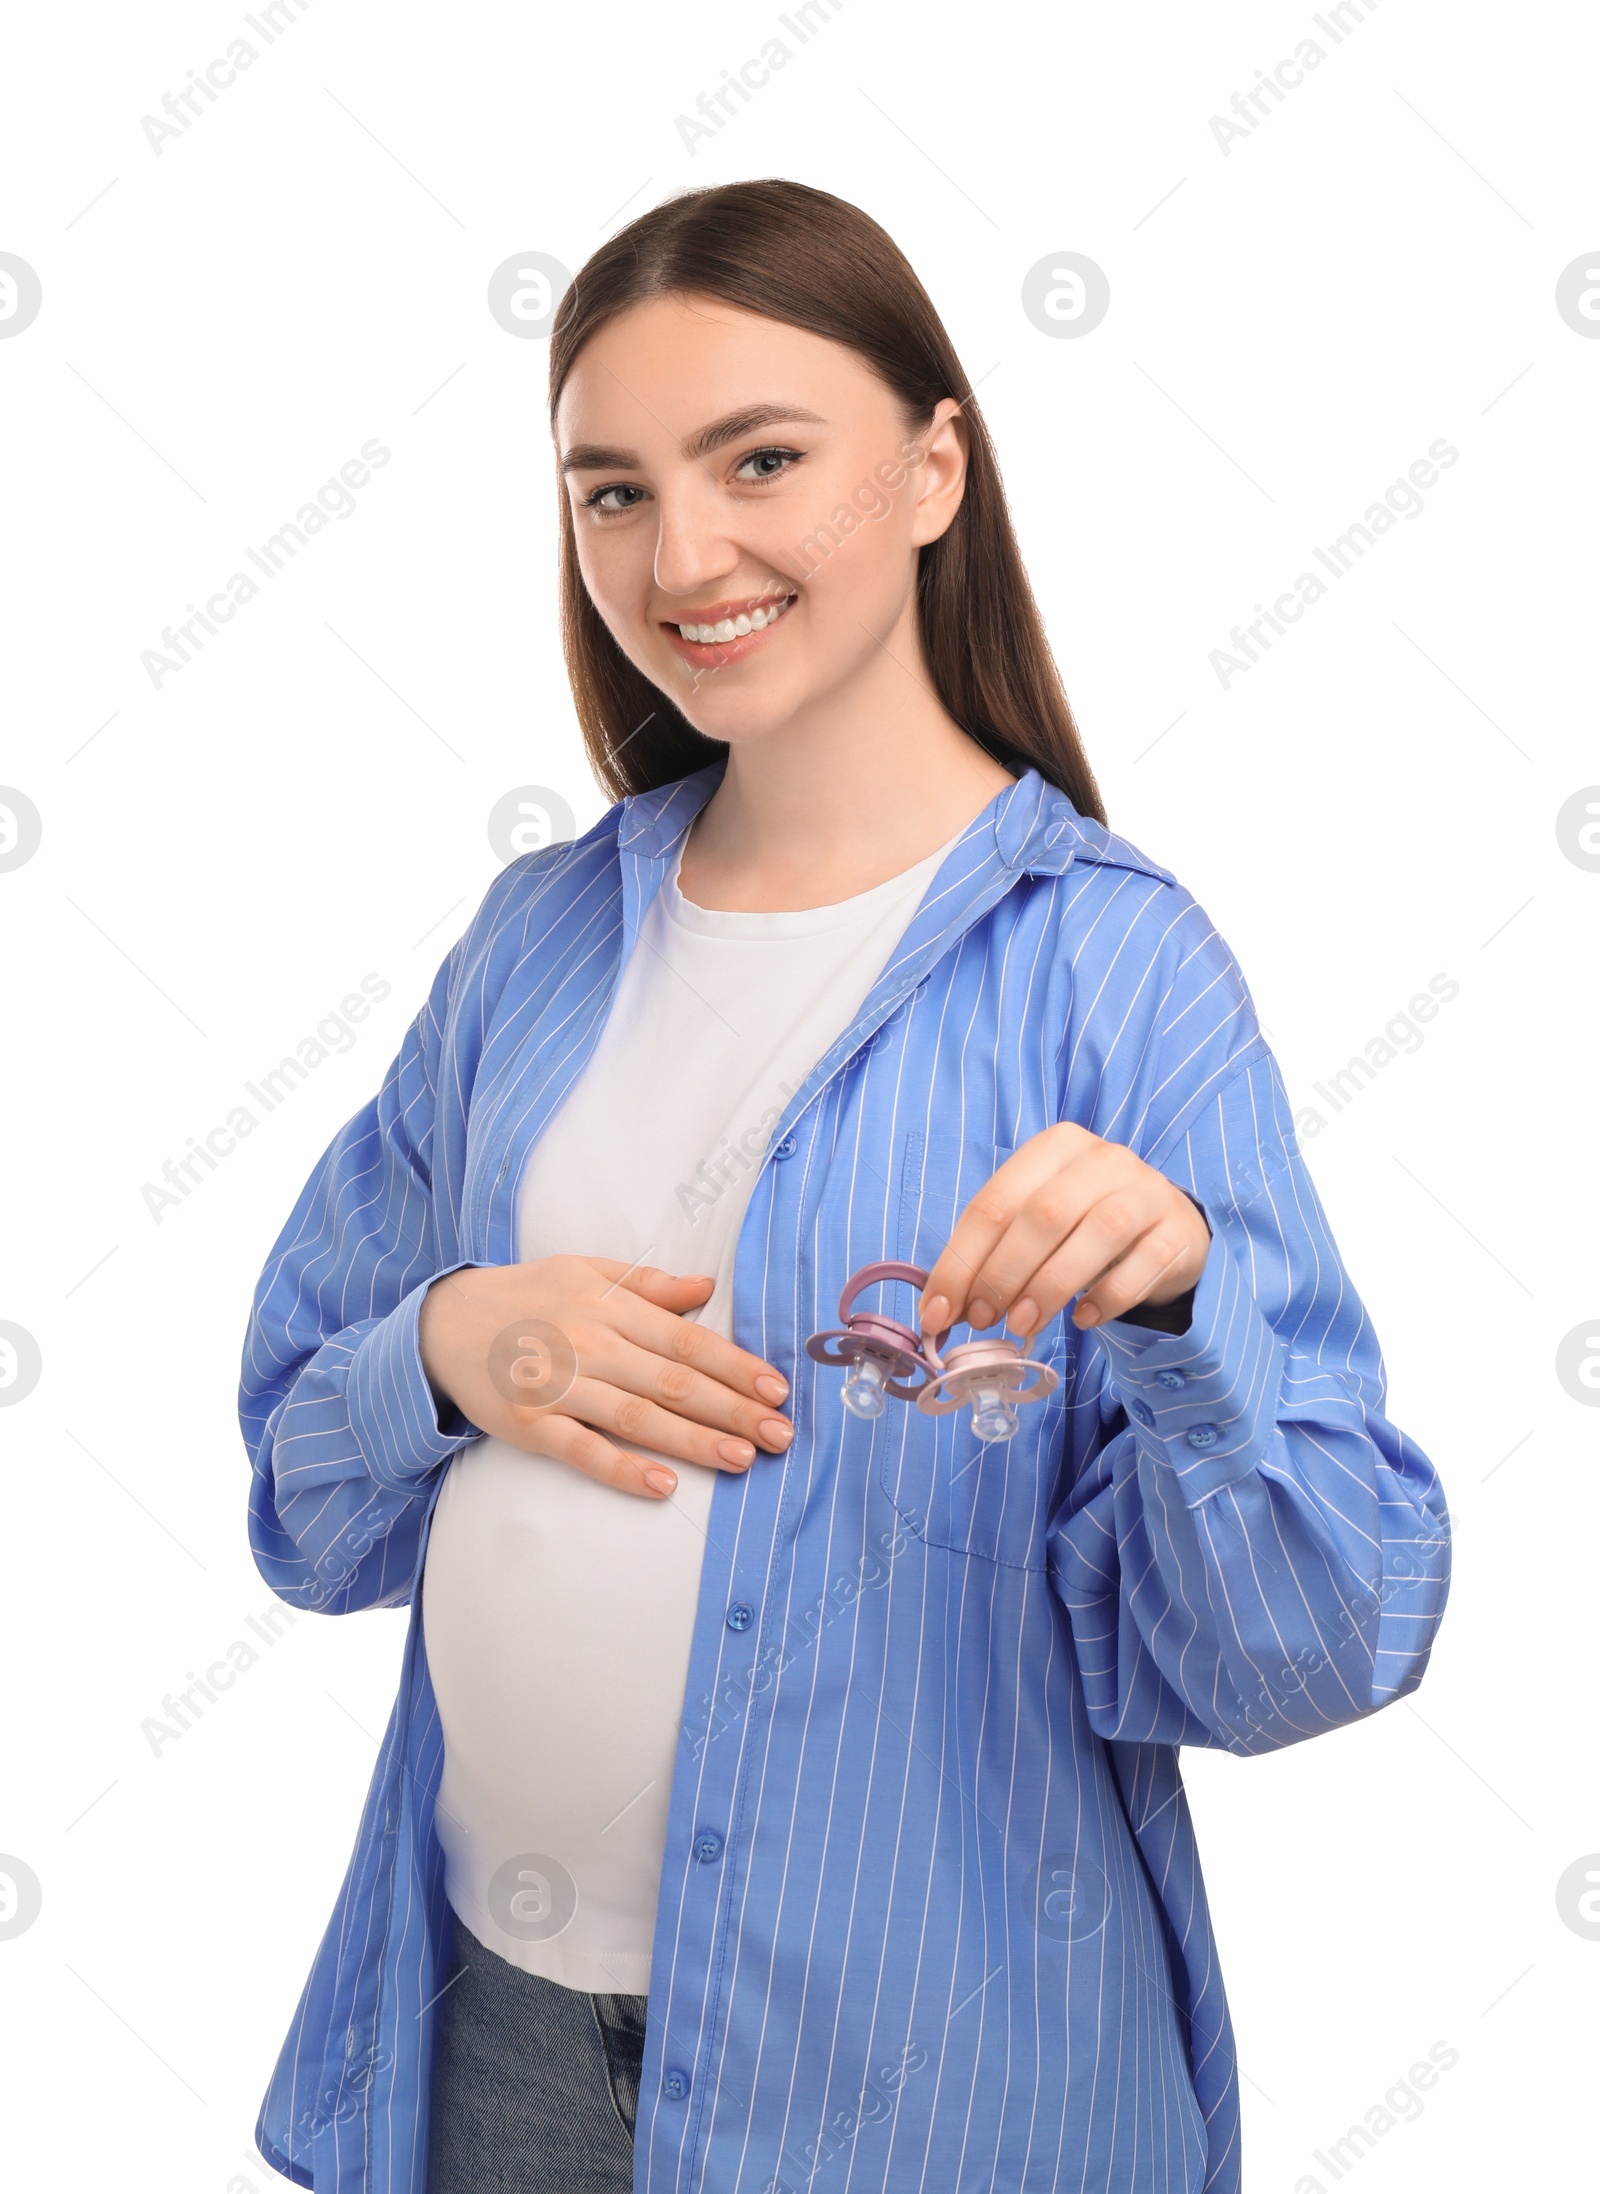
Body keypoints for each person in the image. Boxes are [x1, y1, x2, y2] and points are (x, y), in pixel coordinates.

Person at [240, 178, 1451, 2194]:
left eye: (759, 460)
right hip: (491, 2044)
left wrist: (1176, 1328)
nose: (678, 552)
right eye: (608, 489)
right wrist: (447, 1345)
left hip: (933, 2099)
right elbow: (300, 1503)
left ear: (930, 465)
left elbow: (1316, 1646)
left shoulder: (1114, 970)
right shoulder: (526, 950)